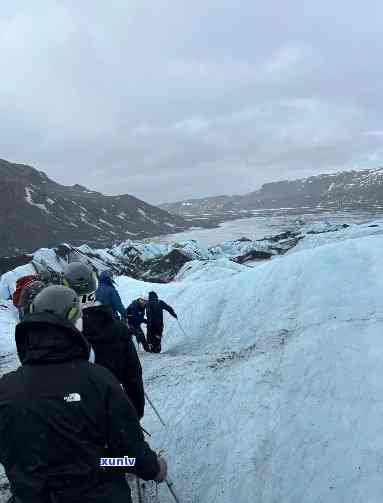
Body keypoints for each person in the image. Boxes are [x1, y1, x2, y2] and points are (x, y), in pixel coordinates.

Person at [0, 285, 167, 503]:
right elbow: (127, 456)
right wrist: (153, 467)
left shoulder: (6, 389)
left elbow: (10, 456)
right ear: (72, 321)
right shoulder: (99, 381)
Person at [63, 263, 145, 419]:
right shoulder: (119, 329)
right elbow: (133, 377)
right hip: (112, 409)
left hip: (77, 418)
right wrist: (134, 415)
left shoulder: (66, 330)